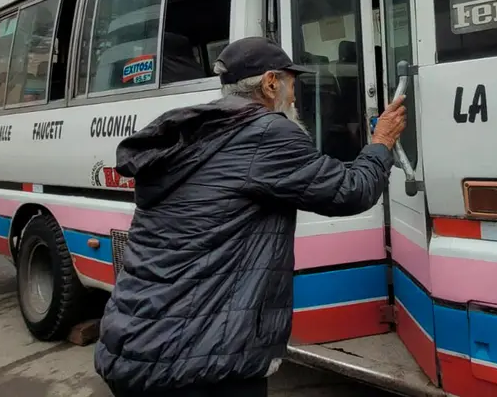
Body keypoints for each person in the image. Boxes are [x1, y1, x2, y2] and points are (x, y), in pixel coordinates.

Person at [94, 36, 407, 397]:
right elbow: (351, 190)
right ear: (271, 82)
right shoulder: (265, 133)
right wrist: (381, 142)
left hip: (134, 344)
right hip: (197, 363)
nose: (294, 96)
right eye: (292, 84)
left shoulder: (201, 131)